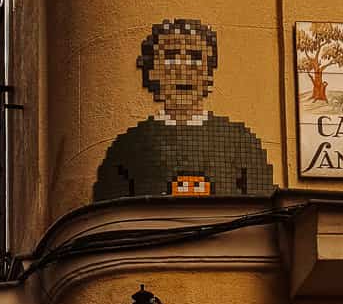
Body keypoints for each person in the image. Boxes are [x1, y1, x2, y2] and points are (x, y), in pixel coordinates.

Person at [94, 18, 274, 201]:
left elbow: (265, 207)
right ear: (152, 70)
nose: (183, 69)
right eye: (171, 57)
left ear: (208, 71)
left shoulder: (241, 142)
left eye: (195, 57)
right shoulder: (128, 146)